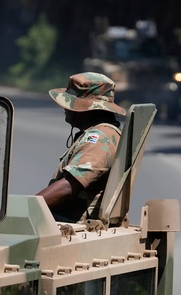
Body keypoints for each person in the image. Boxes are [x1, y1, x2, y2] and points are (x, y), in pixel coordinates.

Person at [36, 72, 125, 222]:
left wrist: (26, 207)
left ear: (88, 108)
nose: (65, 108)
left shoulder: (100, 138)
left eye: (71, 103)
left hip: (75, 223)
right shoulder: (100, 133)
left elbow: (69, 186)